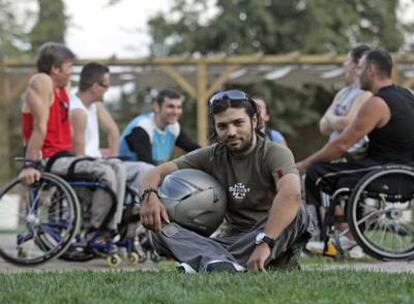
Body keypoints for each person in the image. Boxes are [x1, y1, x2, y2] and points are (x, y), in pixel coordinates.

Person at [140, 89, 309, 273]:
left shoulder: (275, 153)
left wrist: (265, 242)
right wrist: (150, 197)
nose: (231, 132)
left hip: (271, 236)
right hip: (231, 239)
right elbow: (155, 173)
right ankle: (220, 263)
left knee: (297, 212)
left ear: (254, 121)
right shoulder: (212, 155)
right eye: (222, 126)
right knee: (158, 226)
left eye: (238, 123)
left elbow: (291, 194)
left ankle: (208, 260)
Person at [297, 48, 414, 229]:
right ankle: (346, 233)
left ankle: (316, 232)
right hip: (405, 171)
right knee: (346, 175)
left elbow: (341, 145)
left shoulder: (376, 104)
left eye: (361, 68)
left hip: (386, 173)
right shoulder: (407, 95)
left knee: (317, 172)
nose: (358, 73)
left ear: (370, 71)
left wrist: (304, 164)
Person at [19, 43, 123, 237]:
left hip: (66, 157)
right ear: (55, 69)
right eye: (69, 67)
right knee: (106, 171)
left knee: (117, 167)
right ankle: (95, 230)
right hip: (49, 159)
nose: (72, 72)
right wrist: (30, 164)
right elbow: (39, 126)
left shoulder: (61, 88)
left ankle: (109, 230)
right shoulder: (42, 81)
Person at [70, 62, 153, 189]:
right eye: (106, 86)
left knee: (147, 170)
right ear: (96, 87)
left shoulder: (95, 105)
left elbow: (113, 130)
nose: (107, 90)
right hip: (88, 165)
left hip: (99, 161)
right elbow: (79, 154)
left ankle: (138, 206)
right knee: (130, 172)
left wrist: (114, 159)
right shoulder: (76, 110)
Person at [119, 89, 200, 165]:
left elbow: (195, 150)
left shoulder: (173, 127)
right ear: (156, 106)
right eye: (170, 106)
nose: (176, 112)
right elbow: (146, 163)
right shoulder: (142, 127)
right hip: (126, 172)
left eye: (179, 107)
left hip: (149, 172)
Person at [319, 45, 372, 158]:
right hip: (333, 151)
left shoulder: (366, 93)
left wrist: (330, 117)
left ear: (357, 65)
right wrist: (338, 122)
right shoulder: (343, 92)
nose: (344, 64)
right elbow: (323, 126)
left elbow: (348, 123)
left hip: (351, 154)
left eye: (348, 60)